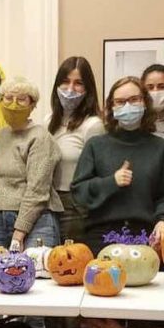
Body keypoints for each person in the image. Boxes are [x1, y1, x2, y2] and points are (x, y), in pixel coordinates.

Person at [71, 76, 164, 257]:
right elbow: (79, 192)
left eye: (134, 100)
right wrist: (111, 182)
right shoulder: (96, 145)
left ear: (145, 103)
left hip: (147, 238)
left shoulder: (160, 148)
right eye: (120, 102)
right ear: (111, 107)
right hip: (101, 238)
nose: (128, 106)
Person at [0, 76, 62, 252]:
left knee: (34, 274)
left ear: (32, 105)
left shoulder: (40, 137)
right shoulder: (0, 135)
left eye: (21, 99)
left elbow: (37, 190)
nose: (13, 104)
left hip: (37, 219)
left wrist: (19, 233)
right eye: (8, 98)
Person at [47, 56, 105, 243]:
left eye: (78, 83)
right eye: (65, 82)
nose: (70, 89)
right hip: (48, 202)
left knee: (70, 262)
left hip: (75, 206)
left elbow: (99, 173)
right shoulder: (48, 122)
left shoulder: (93, 125)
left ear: (88, 89)